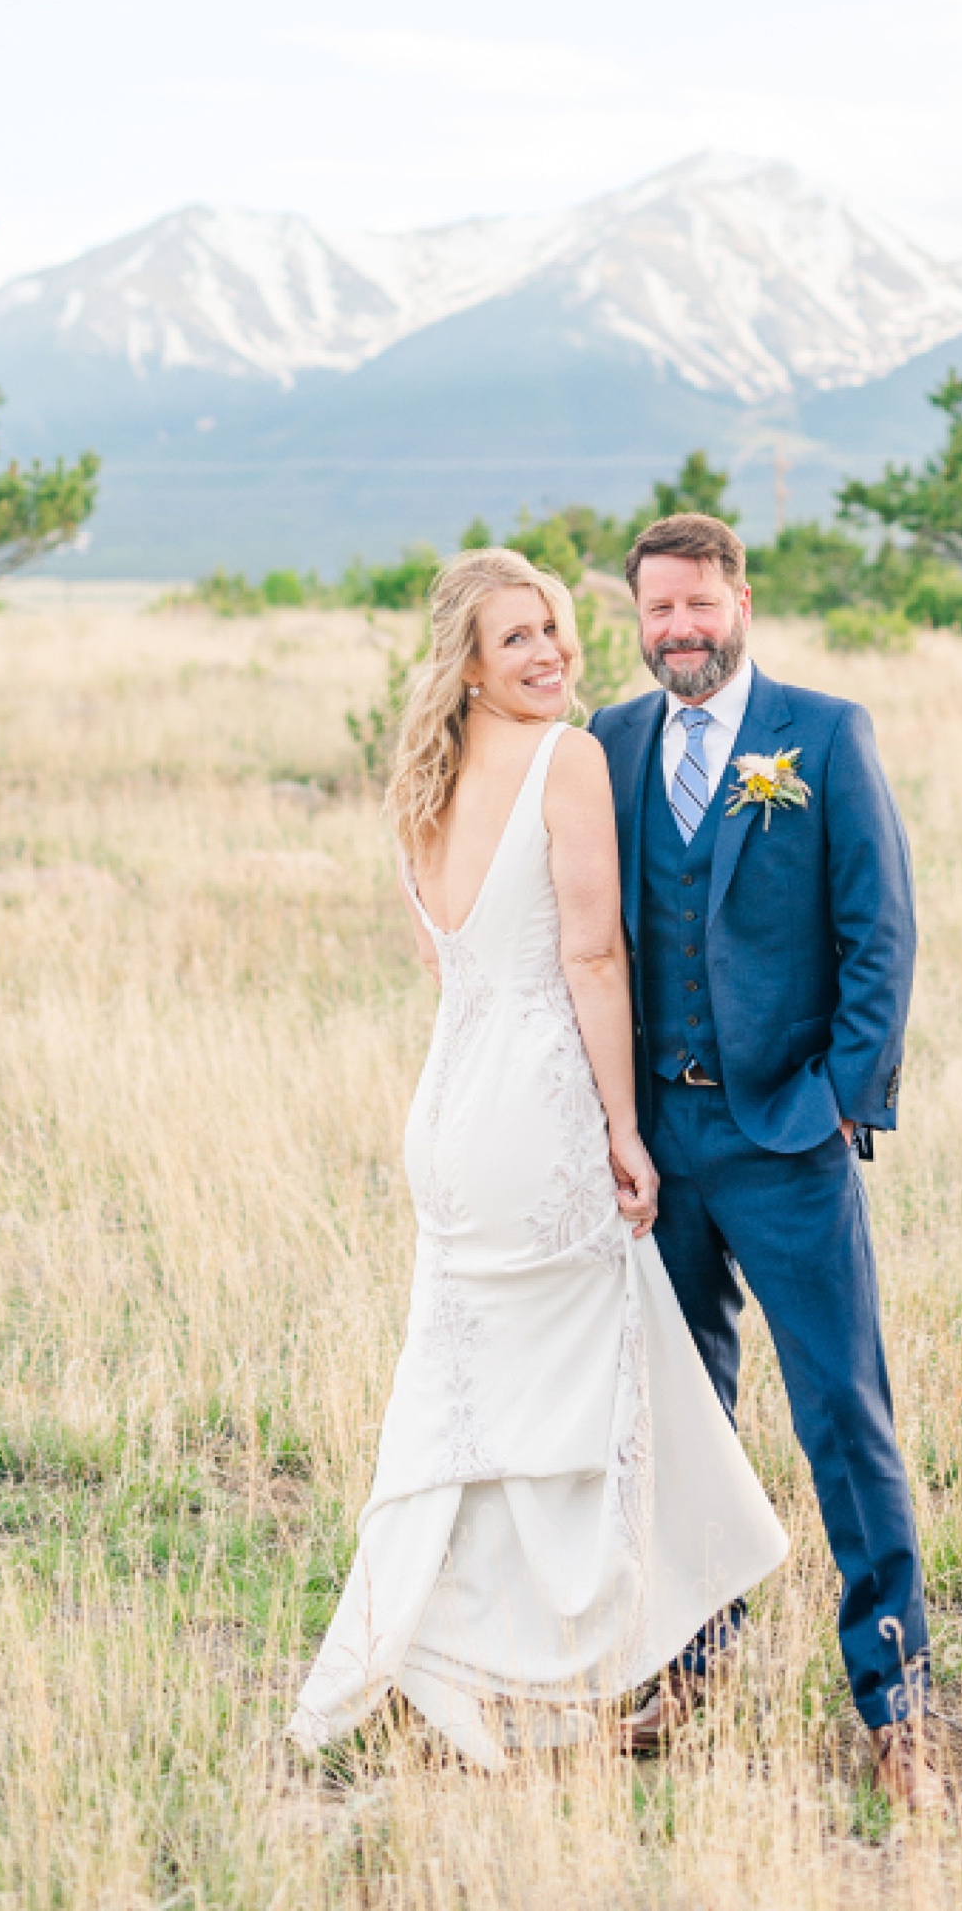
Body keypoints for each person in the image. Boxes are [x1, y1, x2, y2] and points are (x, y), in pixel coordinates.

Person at [288, 547, 786, 1770]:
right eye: (517, 636)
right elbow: (592, 957)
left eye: (558, 627)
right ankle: (548, 1657)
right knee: (578, 1389)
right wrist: (620, 1126)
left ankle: (427, 1648)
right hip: (538, 1107)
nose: (552, 651)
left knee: (464, 1396)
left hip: (449, 1112)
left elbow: (442, 967)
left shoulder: (419, 782)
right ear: (467, 660)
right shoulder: (568, 760)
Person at [589, 511, 937, 1809]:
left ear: (741, 598)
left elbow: (879, 927)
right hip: (656, 1147)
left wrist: (846, 1097)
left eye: (699, 605)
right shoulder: (609, 745)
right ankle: (693, 1657)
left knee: (844, 1411)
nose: (679, 630)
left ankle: (894, 1694)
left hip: (787, 1136)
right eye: (657, 611)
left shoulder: (825, 733)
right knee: (679, 1418)